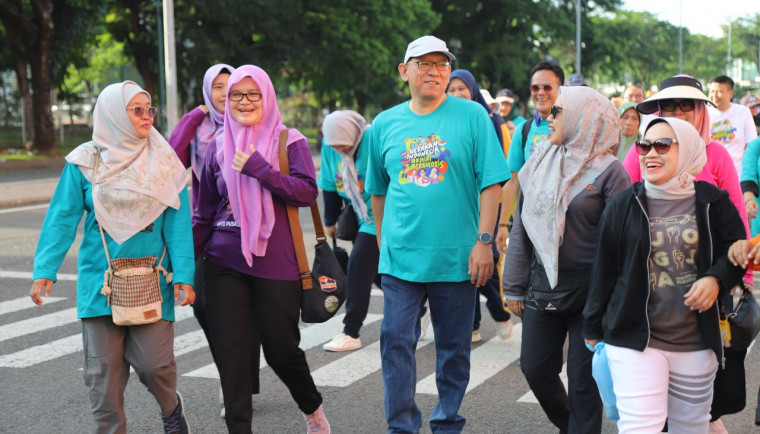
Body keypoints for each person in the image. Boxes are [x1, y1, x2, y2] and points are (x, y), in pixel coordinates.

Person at [30, 80, 195, 433]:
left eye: (149, 109)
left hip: (152, 278)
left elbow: (178, 223)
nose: (147, 116)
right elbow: (62, 217)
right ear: (114, 114)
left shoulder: (164, 160)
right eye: (137, 110)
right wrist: (45, 269)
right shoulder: (86, 162)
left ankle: (172, 410)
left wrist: (184, 275)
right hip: (100, 282)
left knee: (156, 366)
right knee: (103, 382)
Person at [365, 35, 509, 433]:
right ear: (404, 71)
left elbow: (492, 184)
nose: (434, 71)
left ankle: (447, 421)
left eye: (441, 64)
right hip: (401, 258)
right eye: (424, 63)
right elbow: (378, 190)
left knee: (453, 350)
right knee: (395, 342)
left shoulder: (473, 117)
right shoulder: (384, 124)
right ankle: (401, 427)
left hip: (458, 258)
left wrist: (484, 243)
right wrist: (382, 242)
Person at [583, 117, 745, 433]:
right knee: (640, 427)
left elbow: (736, 253)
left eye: (662, 145)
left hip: (696, 341)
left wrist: (716, 278)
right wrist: (592, 324)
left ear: (686, 150)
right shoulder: (623, 204)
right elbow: (603, 268)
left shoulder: (713, 202)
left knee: (691, 427)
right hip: (634, 338)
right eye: (644, 145)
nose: (650, 153)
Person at [192, 65, 329, 433]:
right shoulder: (218, 145)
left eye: (253, 94)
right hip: (222, 260)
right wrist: (186, 267)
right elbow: (203, 212)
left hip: (276, 262)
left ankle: (313, 411)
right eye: (237, 94)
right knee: (232, 357)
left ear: (267, 97)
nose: (244, 101)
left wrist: (259, 169)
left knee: (282, 351)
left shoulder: (290, 140)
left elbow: (306, 191)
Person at [502, 86, 630, 434]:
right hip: (544, 285)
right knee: (535, 368)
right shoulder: (539, 162)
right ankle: (570, 423)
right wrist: (513, 285)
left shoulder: (610, 170)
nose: (548, 116)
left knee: (583, 379)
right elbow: (521, 229)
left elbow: (623, 240)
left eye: (557, 111)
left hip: (594, 292)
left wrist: (618, 296)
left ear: (583, 117)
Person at [622, 75, 751, 258]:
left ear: (699, 110)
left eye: (686, 104)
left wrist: (742, 273)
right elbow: (622, 206)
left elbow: (737, 213)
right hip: (649, 265)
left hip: (709, 268)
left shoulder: (716, 154)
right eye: (669, 105)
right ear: (660, 110)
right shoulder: (642, 151)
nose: (678, 111)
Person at [446, 68, 514, 342]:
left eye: (462, 88)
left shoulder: (490, 120)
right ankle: (472, 324)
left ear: (473, 90)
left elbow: (497, 172)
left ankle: (499, 313)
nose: (457, 94)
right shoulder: (442, 120)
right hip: (455, 204)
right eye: (451, 90)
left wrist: (498, 220)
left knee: (484, 263)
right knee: (463, 264)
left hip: (483, 203)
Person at [318, 110, 383, 352]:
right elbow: (328, 185)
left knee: (357, 265)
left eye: (345, 146)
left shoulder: (373, 139)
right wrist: (329, 221)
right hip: (358, 214)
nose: (341, 152)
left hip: (381, 214)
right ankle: (417, 309)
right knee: (375, 273)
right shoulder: (329, 147)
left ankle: (351, 331)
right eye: (336, 147)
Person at [495, 61, 564, 254]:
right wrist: (502, 225)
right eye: (535, 87)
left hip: (568, 227)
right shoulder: (523, 131)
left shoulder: (573, 127)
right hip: (530, 226)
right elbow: (513, 179)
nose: (540, 92)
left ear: (561, 89)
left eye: (547, 86)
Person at [169, 63, 233, 211]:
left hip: (242, 217)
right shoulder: (200, 128)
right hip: (206, 218)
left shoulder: (247, 125)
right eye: (218, 87)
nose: (225, 93)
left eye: (231, 86)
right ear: (207, 92)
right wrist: (192, 118)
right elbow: (170, 157)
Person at [708, 75, 758, 177]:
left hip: (737, 174)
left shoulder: (743, 112)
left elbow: (751, 145)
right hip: (711, 175)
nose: (715, 95)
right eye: (712, 91)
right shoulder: (704, 113)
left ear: (730, 94)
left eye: (719, 91)